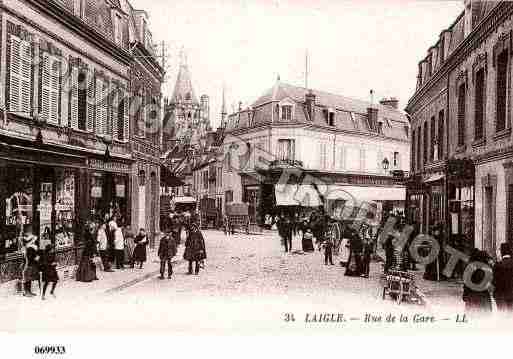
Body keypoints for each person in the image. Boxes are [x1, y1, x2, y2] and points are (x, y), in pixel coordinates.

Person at [462, 249, 493, 314]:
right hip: (484, 298)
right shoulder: (487, 268)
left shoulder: (469, 268)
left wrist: (465, 296)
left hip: (472, 297)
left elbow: (466, 285)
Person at [493, 243, 513, 312]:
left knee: (502, 316)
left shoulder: (497, 265)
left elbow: (494, 282)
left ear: (501, 252)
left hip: (500, 296)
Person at [21, 226, 40, 297]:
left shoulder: (30, 247)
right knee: (27, 278)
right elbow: (30, 257)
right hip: (29, 264)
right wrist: (36, 257)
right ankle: (26, 292)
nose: (35, 241)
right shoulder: (30, 248)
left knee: (29, 278)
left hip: (29, 264)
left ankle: (28, 291)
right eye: (34, 240)